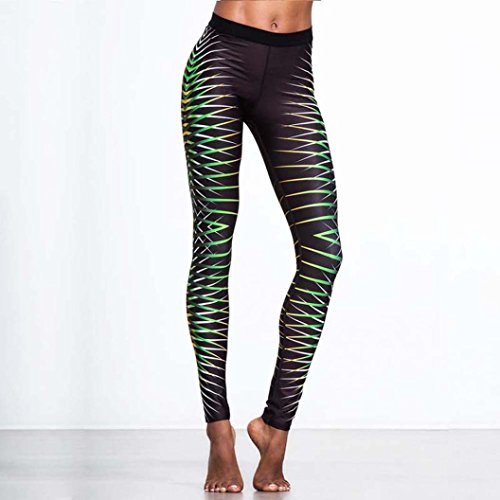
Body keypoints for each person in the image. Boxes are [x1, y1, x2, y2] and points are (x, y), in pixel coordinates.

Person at [181, 0, 343, 493]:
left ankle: (275, 426)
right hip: (220, 63)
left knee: (324, 253)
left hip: (293, 71)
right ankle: (219, 433)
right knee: (213, 245)